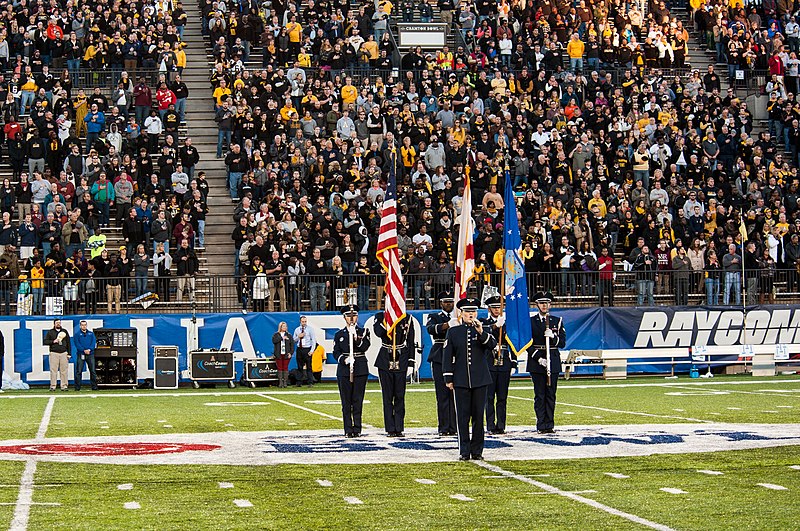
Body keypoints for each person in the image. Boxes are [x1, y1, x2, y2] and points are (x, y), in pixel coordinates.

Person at [443, 298, 497, 461]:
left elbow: (492, 345)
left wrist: (481, 331)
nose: (471, 314)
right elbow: (447, 356)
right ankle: (464, 451)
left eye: (473, 311)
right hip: (460, 380)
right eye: (467, 311)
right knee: (462, 417)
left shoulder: (483, 329)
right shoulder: (453, 332)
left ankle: (477, 451)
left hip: (480, 380)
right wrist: (448, 377)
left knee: (478, 417)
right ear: (461, 313)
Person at [527, 292, 566, 434]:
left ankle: (549, 424)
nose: (545, 305)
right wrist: (538, 358)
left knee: (551, 394)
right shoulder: (530, 321)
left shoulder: (557, 320)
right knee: (540, 394)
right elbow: (527, 344)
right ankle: (541, 424)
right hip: (537, 361)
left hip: (553, 359)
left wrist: (554, 337)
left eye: (547, 303)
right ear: (536, 305)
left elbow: (562, 343)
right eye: (542, 303)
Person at [373, 312, 416, 437]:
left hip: (401, 358)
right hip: (385, 359)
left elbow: (411, 340)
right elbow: (378, 333)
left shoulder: (407, 318)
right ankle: (390, 428)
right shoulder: (380, 316)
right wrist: (389, 320)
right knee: (387, 397)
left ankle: (399, 427)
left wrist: (411, 361)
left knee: (399, 396)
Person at [333, 304, 371, 438]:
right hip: (344, 370)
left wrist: (355, 337)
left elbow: (364, 347)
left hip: (360, 368)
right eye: (349, 316)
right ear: (344, 318)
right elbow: (335, 352)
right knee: (346, 401)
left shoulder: (364, 331)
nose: (352, 318)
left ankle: (357, 428)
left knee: (357, 400)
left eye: (354, 315)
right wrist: (344, 359)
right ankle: (348, 429)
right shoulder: (339, 334)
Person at [425, 290, 457, 436]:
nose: (449, 304)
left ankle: (455, 426)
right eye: (446, 301)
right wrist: (447, 325)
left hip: (456, 357)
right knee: (442, 394)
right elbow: (431, 329)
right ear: (441, 303)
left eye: (451, 301)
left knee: (456, 394)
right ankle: (444, 427)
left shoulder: (459, 317)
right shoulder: (435, 316)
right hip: (440, 355)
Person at [482, 296, 515, 435]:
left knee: (502, 396)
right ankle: (490, 425)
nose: (497, 310)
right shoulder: (484, 322)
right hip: (489, 360)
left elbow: (513, 342)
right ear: (489, 309)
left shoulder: (508, 323)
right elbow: (482, 332)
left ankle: (501, 425)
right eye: (494, 307)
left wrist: (513, 362)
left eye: (499, 307)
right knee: (489, 397)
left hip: (504, 360)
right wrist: (495, 326)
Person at [44, 319, 71, 391]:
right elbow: (45, 341)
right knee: (53, 370)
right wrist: (53, 341)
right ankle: (53, 386)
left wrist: (69, 353)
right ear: (54, 324)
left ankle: (64, 386)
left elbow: (68, 342)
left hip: (63, 353)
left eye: (59, 323)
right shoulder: (50, 332)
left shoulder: (64, 331)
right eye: (57, 323)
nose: (58, 324)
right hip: (54, 353)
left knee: (64, 370)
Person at [73, 320, 97, 391]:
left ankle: (94, 387)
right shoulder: (77, 334)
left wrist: (89, 349)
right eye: (82, 325)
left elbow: (93, 343)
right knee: (79, 371)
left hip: (90, 354)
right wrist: (84, 350)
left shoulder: (91, 334)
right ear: (80, 326)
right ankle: (77, 387)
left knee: (92, 371)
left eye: (85, 325)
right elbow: (77, 344)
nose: (84, 326)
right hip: (81, 354)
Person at [292, 315, 317, 386]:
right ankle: (299, 381)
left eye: (305, 321)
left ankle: (310, 382)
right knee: (299, 366)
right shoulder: (297, 330)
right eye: (303, 321)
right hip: (300, 349)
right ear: (300, 321)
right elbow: (293, 340)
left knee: (309, 366)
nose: (304, 323)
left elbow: (313, 340)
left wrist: (312, 350)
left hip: (307, 348)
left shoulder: (310, 329)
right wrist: (298, 337)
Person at [272, 321, 294, 388]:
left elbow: (292, 345)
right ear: (280, 327)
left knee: (285, 367)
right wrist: (282, 338)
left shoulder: (289, 335)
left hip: (286, 354)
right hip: (279, 354)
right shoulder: (276, 335)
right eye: (283, 326)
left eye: (285, 326)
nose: (285, 327)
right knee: (280, 368)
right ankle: (280, 382)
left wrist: (290, 353)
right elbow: (274, 341)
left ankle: (285, 382)